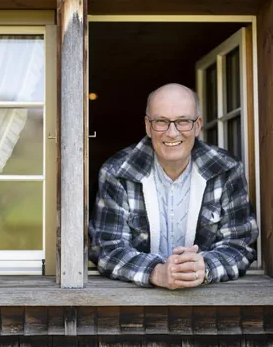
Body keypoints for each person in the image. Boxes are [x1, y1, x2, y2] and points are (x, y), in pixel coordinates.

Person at [88, 83, 258, 289]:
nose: (172, 133)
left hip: (208, 301)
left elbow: (240, 245)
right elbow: (107, 248)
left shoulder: (227, 169)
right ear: (148, 126)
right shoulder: (117, 172)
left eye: (183, 121)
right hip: (135, 303)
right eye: (161, 121)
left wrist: (204, 267)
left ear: (198, 125)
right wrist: (156, 272)